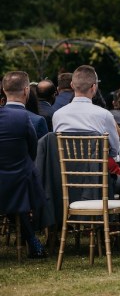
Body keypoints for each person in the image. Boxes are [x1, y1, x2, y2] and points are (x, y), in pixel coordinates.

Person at [52, 65, 120, 200]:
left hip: (67, 180)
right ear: (94, 87)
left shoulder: (58, 115)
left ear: (72, 85)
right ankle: (112, 218)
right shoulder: (104, 115)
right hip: (97, 181)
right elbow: (114, 151)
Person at [0, 71, 48, 258]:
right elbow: (33, 149)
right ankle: (33, 241)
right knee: (20, 186)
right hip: (20, 184)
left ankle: (33, 242)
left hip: (9, 184)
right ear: (27, 91)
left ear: (3, 90)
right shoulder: (24, 118)